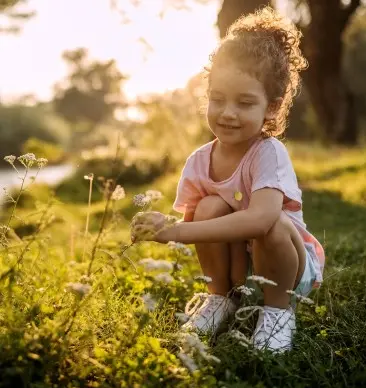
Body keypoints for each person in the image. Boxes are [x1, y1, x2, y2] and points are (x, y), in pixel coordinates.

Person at [131, 6, 325, 353]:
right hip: (241, 272)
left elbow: (261, 219)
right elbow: (199, 225)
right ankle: (220, 298)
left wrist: (175, 233)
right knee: (207, 206)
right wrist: (164, 224)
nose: (228, 113)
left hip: (288, 269)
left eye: (245, 102)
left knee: (275, 223)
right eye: (217, 99)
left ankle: (278, 311)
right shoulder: (199, 162)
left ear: (271, 107)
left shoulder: (269, 153)